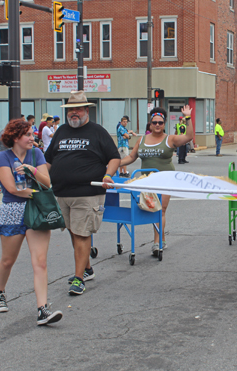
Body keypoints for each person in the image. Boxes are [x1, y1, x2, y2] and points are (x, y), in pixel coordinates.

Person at [45, 91, 120, 295]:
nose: (74, 113)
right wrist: (37, 177)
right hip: (62, 193)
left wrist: (107, 175)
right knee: (72, 231)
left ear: (87, 110)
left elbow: (114, 158)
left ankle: (78, 279)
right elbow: (49, 160)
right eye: (70, 110)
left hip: (87, 192)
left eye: (78, 109)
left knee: (81, 232)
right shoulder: (60, 131)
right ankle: (86, 269)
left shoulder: (97, 132)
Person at [0, 118, 63, 325]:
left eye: (33, 135)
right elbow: (12, 189)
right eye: (28, 135)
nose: (32, 139)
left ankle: (43, 309)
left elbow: (47, 182)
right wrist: (36, 192)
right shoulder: (3, 157)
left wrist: (31, 170)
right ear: (16, 137)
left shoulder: (37, 154)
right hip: (13, 210)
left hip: (37, 210)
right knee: (8, 260)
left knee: (40, 262)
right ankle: (0, 292)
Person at [120, 105, 193, 254]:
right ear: (150, 124)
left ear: (164, 123)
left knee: (161, 210)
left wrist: (188, 118)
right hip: (147, 181)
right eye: (155, 122)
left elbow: (188, 137)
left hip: (165, 180)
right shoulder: (142, 140)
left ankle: (157, 241)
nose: (157, 125)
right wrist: (114, 163)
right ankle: (160, 238)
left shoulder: (170, 139)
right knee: (150, 209)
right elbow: (131, 157)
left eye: (160, 122)